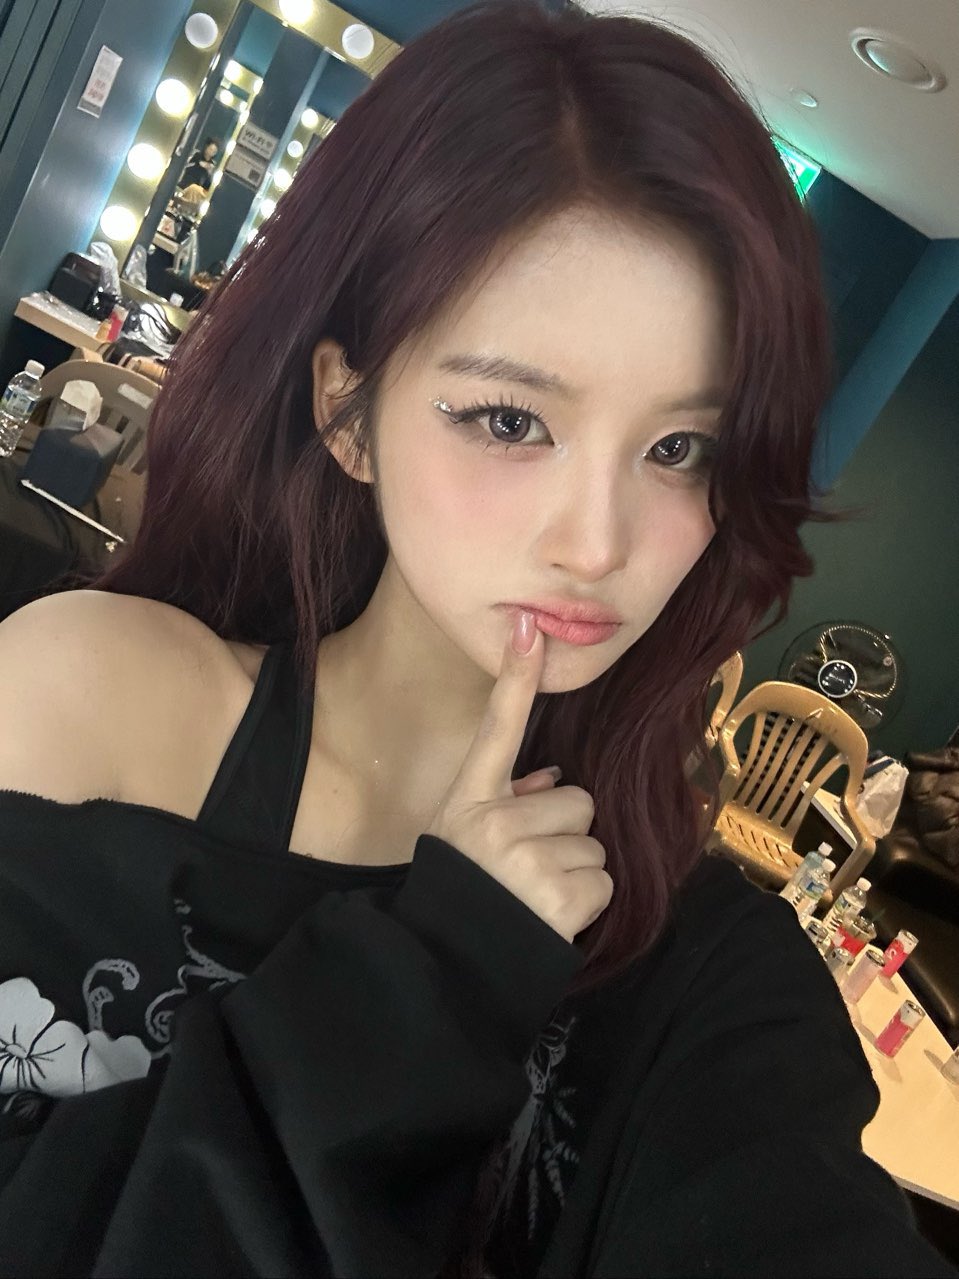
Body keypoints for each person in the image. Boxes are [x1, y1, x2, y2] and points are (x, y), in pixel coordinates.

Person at [0, 2, 955, 1276]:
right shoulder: (93, 704)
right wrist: (440, 970)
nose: (597, 543)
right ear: (348, 411)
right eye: (509, 420)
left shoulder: (705, 973)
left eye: (679, 448)